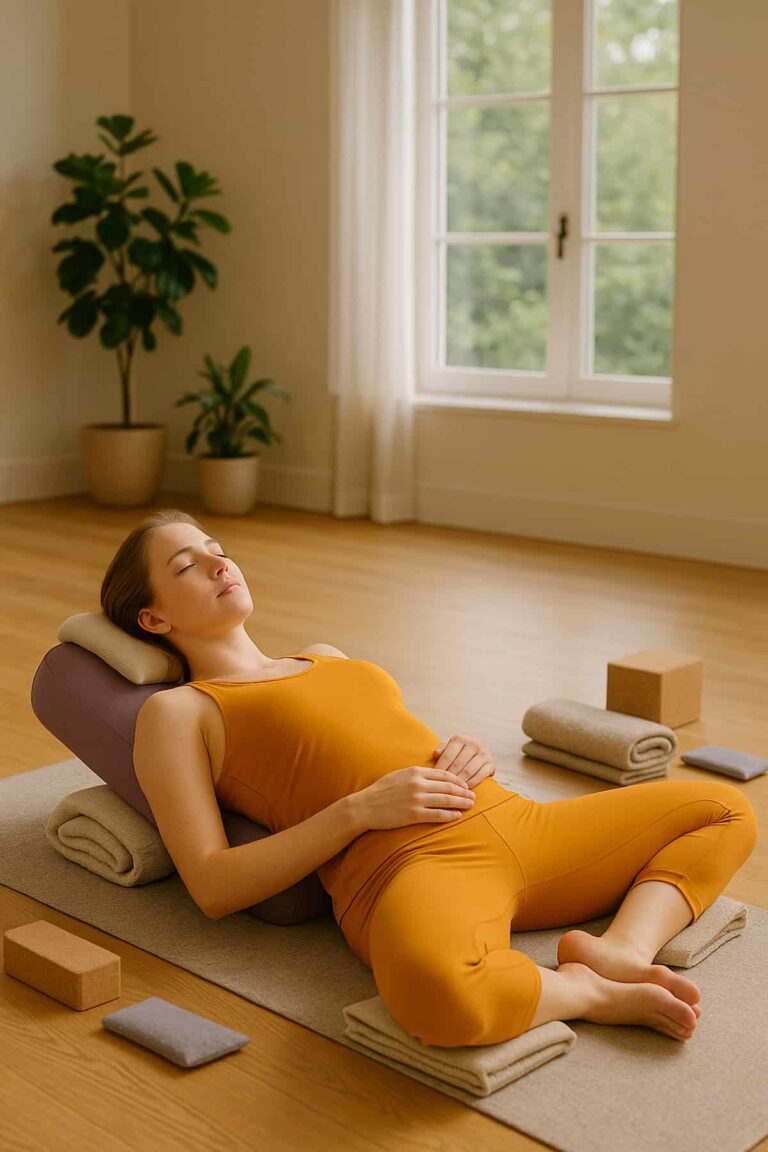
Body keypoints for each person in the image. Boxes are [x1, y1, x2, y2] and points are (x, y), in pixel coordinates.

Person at [102, 508, 759, 1049]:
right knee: (441, 999)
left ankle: (619, 949)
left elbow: (386, 738)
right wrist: (358, 812)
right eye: (187, 565)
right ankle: (586, 992)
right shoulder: (178, 711)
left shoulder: (325, 656)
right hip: (408, 867)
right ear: (154, 621)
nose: (221, 563)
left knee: (724, 808)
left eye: (217, 548)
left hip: (515, 820)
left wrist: (464, 749)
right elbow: (213, 884)